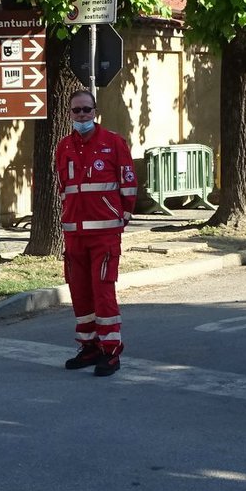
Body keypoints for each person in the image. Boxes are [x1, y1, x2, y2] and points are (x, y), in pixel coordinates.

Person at [55, 89, 137, 377]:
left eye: (86, 110)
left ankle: (110, 351)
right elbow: (63, 187)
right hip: (74, 235)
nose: (81, 115)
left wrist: (122, 215)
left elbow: (128, 183)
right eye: (76, 110)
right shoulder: (64, 146)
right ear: (70, 113)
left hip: (104, 235)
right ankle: (88, 346)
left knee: (103, 293)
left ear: (95, 111)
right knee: (80, 293)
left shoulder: (113, 142)